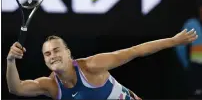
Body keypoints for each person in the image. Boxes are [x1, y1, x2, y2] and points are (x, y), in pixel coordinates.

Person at [7, 29, 197, 100]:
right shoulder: (51, 86)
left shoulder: (91, 66)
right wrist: (10, 61)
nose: (53, 56)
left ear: (68, 53)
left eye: (57, 50)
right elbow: (17, 88)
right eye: (47, 53)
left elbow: (135, 51)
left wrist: (173, 41)